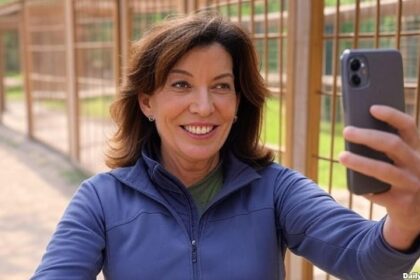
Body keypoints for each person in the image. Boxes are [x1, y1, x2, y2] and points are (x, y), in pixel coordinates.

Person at [32, 12, 419, 279]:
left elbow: (368, 262)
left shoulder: (276, 190)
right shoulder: (100, 201)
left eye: (221, 86)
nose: (204, 106)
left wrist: (405, 223)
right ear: (147, 101)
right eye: (181, 84)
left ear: (238, 103)